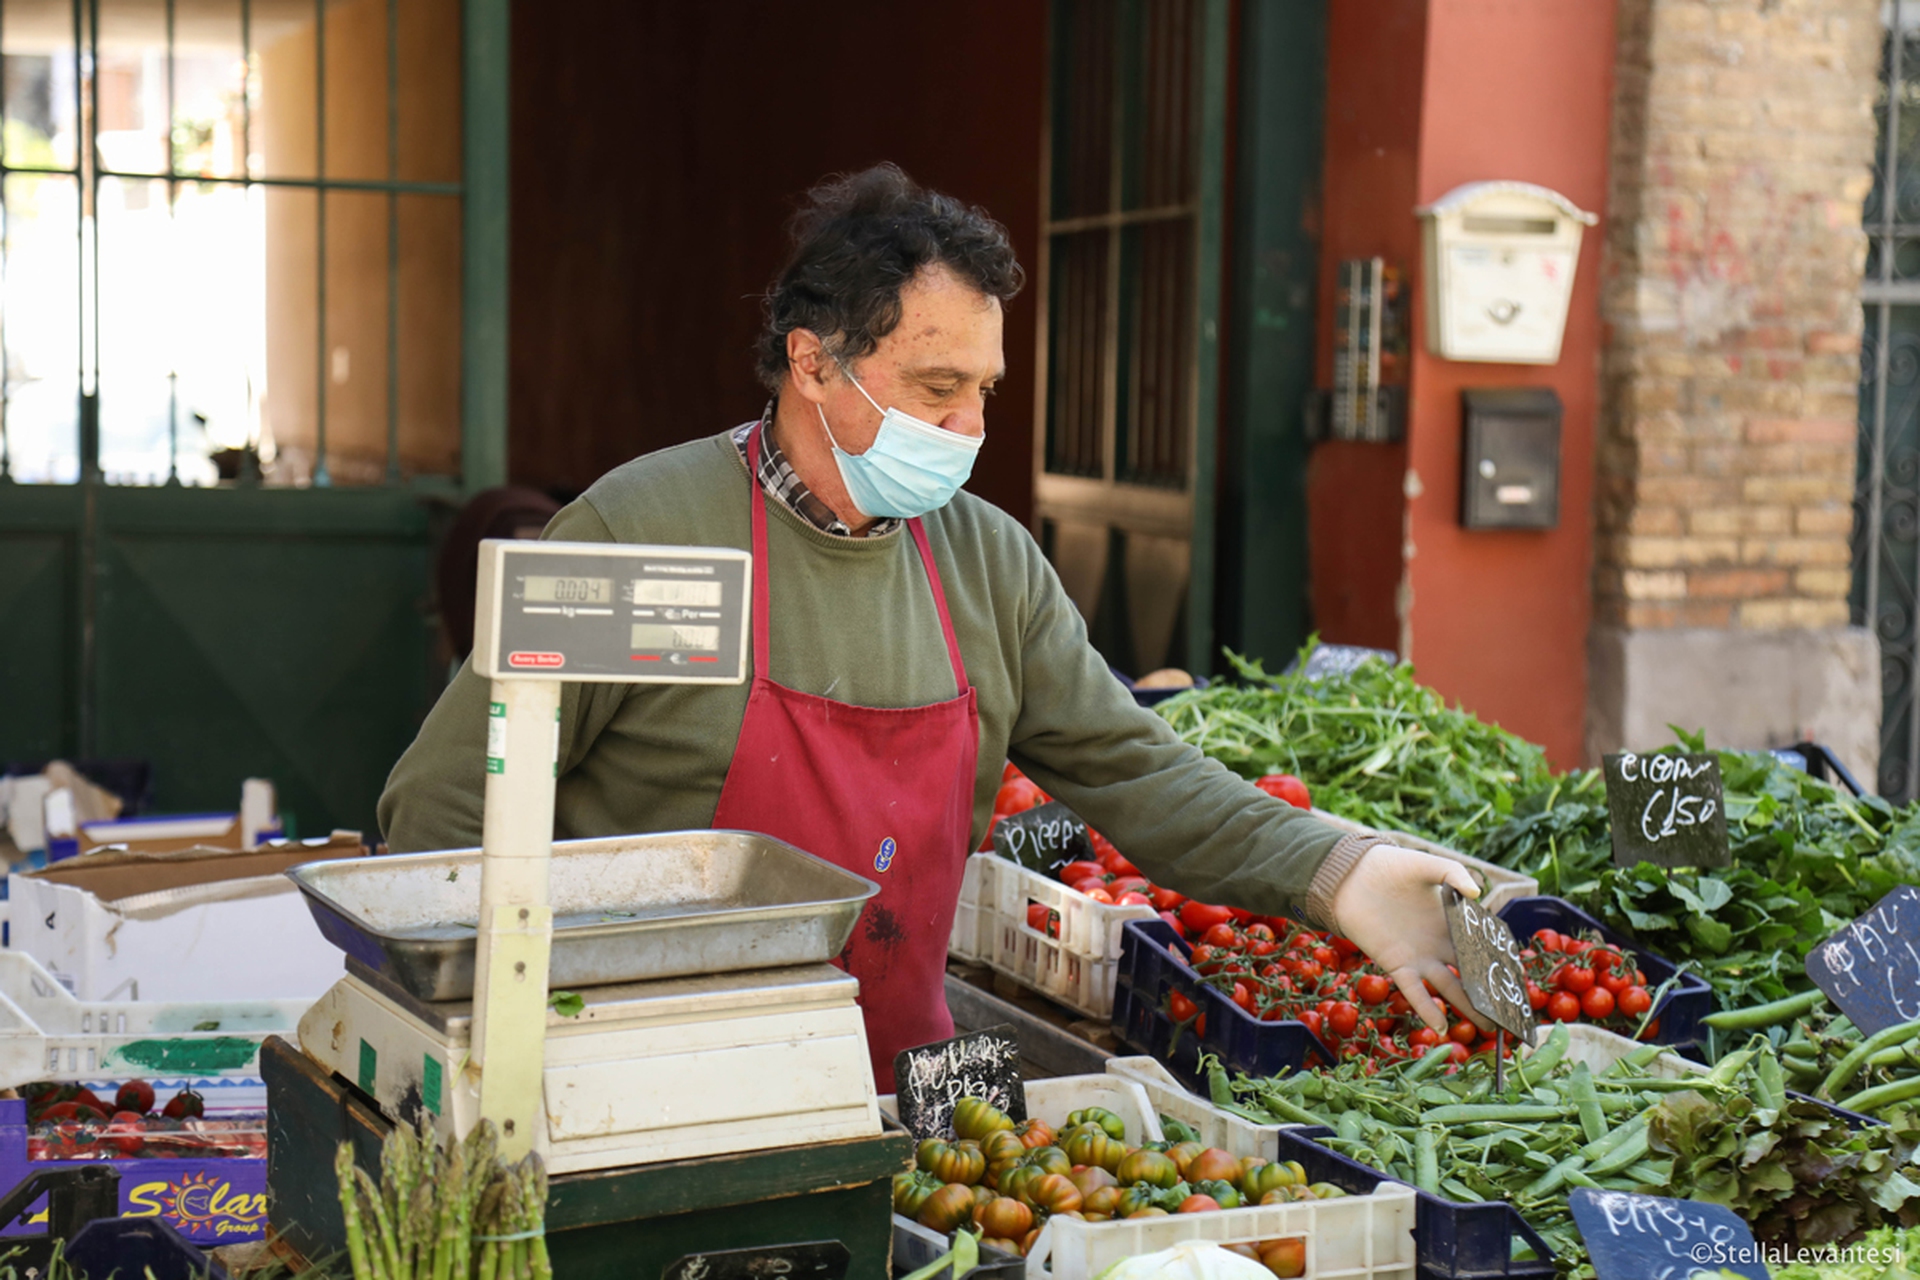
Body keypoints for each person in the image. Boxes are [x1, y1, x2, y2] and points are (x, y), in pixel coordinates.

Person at [380, 164, 1489, 1089]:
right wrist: (469, 1061)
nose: (970, 427)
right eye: (936, 387)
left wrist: (1341, 868)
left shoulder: (988, 562)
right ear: (813, 362)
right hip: (638, 1086)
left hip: (889, 1089)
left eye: (986, 391)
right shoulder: (639, 529)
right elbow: (442, 801)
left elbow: (1133, 765)